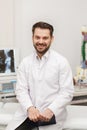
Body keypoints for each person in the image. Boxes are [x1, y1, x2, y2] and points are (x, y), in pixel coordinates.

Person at [6, 21, 74, 130]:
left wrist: (51, 109)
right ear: (32, 38)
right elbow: (21, 90)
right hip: (27, 114)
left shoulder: (61, 62)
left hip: (51, 116)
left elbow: (67, 92)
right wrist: (30, 108)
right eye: (37, 37)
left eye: (45, 38)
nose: (41, 41)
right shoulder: (25, 63)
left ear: (52, 39)